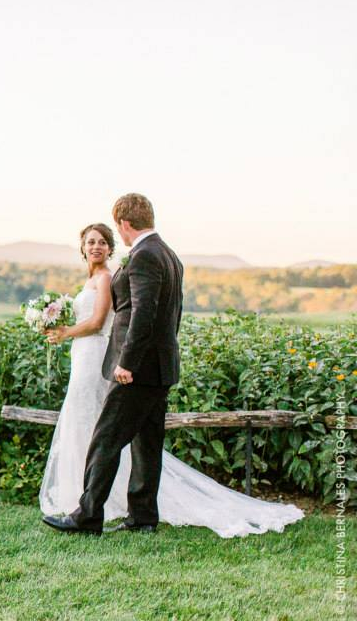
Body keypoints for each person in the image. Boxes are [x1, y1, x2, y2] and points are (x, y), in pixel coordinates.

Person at [40, 194, 304, 537]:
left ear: (123, 224)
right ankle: (143, 517)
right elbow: (171, 316)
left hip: (135, 369)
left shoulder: (145, 255)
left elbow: (144, 314)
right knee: (146, 444)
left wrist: (127, 362)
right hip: (160, 368)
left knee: (105, 439)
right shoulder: (169, 255)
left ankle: (87, 517)